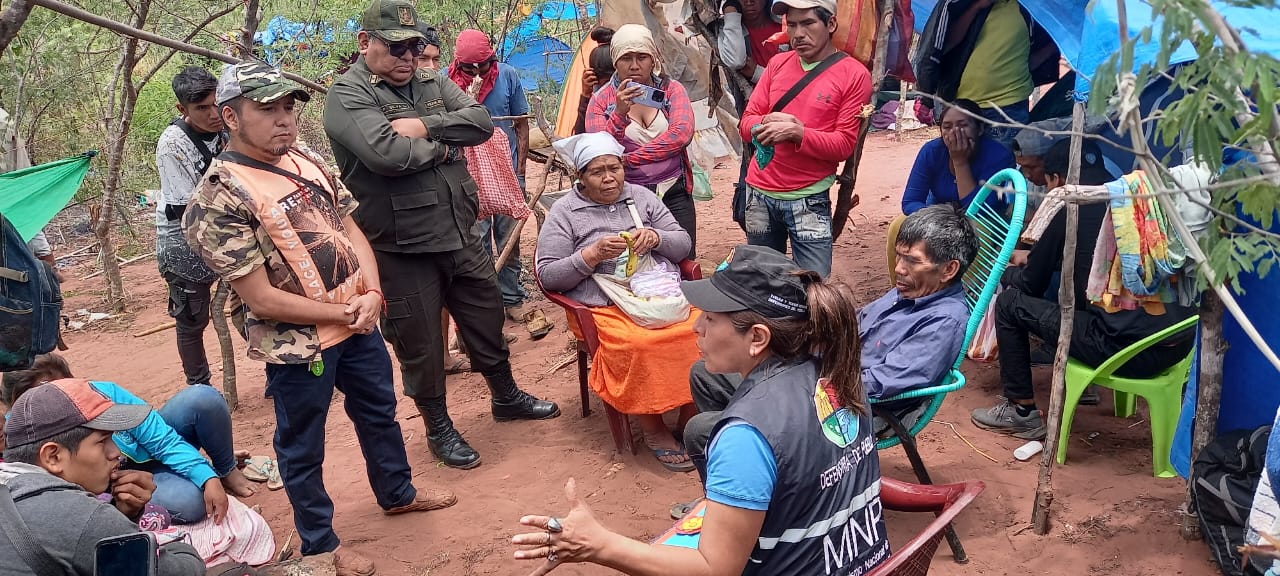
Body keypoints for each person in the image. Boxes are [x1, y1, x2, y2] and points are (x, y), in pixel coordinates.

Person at [184, 60, 457, 575]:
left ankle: (397, 491)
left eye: (288, 106)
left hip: (358, 322)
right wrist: (343, 310)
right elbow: (260, 298)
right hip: (300, 346)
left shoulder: (305, 159)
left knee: (380, 411)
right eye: (267, 109)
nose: (284, 118)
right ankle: (320, 544)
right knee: (302, 441)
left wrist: (372, 291)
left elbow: (351, 227)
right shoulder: (219, 197)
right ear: (230, 117)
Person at [511, 245, 890, 575]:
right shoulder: (837, 371)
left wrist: (599, 545)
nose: (697, 328)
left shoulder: (747, 436)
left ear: (757, 338)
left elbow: (715, 568)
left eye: (710, 318)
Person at [322, 0, 560, 473]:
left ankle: (505, 396)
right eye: (396, 47)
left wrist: (425, 127)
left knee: (486, 312)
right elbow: (387, 155)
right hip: (400, 245)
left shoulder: (430, 81)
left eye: (414, 46)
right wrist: (449, 146)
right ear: (365, 43)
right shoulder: (347, 96)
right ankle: (438, 426)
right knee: (421, 341)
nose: (408, 57)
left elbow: (483, 123)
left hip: (458, 228)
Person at [682, 204, 978, 481]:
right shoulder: (910, 292)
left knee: (701, 431)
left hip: (853, 409)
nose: (899, 268)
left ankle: (740, 501)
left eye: (912, 261)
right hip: (825, 380)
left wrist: (807, 382)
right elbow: (854, 327)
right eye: (900, 256)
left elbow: (883, 384)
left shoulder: (944, 321)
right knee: (706, 375)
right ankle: (757, 473)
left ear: (948, 269)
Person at [971, 139, 1198, 439]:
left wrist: (1007, 272)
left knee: (1011, 303)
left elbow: (1030, 285)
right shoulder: (1139, 200)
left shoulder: (1072, 207)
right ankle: (1084, 387)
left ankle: (1021, 410)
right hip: (1175, 349)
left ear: (1058, 180)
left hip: (1122, 352)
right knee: (1091, 288)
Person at [536, 132, 698, 472]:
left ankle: (690, 416)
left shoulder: (641, 197)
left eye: (615, 168)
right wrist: (589, 256)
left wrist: (656, 237)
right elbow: (548, 276)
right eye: (597, 172)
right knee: (641, 344)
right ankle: (652, 427)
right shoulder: (565, 212)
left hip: (657, 294)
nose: (609, 178)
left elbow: (682, 244)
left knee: (704, 330)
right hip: (601, 306)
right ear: (579, 176)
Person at [2, 353, 258, 525]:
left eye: (63, 391)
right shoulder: (22, 446)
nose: (60, 402)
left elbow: (162, 440)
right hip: (108, 486)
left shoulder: (103, 394)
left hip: (144, 456)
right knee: (190, 503)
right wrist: (119, 506)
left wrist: (206, 475)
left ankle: (223, 469)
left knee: (202, 398)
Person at [0, 379, 206, 576]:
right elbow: (182, 571)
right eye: (102, 441)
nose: (116, 452)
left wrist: (123, 514)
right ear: (53, 456)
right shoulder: (81, 515)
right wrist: (183, 550)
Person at [739, 0, 872, 277]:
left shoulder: (854, 75)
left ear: (831, 24)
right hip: (759, 194)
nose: (798, 33)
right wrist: (767, 122)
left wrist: (798, 133)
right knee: (764, 282)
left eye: (808, 23)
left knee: (814, 289)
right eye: (792, 24)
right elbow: (746, 123)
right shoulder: (777, 64)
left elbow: (844, 146)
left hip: (808, 199)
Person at [447, 29, 544, 332]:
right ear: (457, 64)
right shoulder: (444, 83)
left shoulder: (509, 76)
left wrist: (521, 170)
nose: (477, 73)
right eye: (469, 68)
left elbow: (521, 124)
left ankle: (512, 298)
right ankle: (487, 305)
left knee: (509, 238)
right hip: (467, 176)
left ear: (493, 59)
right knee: (475, 242)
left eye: (484, 66)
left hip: (506, 172)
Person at [586, 24, 699, 259]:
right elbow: (603, 153)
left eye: (642, 57)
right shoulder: (600, 100)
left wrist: (629, 159)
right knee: (637, 262)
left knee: (683, 255)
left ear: (653, 59)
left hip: (674, 190)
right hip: (627, 196)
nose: (635, 66)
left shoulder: (671, 90)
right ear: (615, 61)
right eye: (627, 58)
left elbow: (681, 135)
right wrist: (618, 114)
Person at [154, 66, 228, 387]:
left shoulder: (231, 122)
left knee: (255, 301)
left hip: (226, 223)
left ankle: (276, 369)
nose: (214, 114)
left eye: (217, 103)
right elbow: (187, 208)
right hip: (184, 234)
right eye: (202, 108)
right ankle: (201, 388)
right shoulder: (173, 145)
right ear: (182, 109)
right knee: (192, 316)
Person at [920, 0, 1059, 148]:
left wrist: (1056, 44)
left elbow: (1034, 56)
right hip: (961, 109)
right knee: (960, 165)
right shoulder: (957, 5)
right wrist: (977, 6)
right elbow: (941, 46)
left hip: (1008, 108)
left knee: (1001, 168)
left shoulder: (1029, 9)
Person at [718, 0, 782, 229]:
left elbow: (790, 80)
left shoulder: (785, 28)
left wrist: (756, 72)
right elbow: (735, 60)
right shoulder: (729, 29)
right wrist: (732, 15)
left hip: (786, 118)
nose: (749, 1)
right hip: (752, 118)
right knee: (754, 167)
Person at [901, 98, 1012, 215]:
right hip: (938, 217)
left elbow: (978, 212)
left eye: (963, 125)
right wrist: (937, 219)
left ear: (980, 129)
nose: (955, 132)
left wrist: (960, 162)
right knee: (897, 226)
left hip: (984, 223)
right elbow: (910, 202)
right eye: (947, 127)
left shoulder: (998, 155)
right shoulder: (931, 151)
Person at [573, 26, 615, 136]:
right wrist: (585, 96)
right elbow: (580, 136)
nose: (608, 88)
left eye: (614, 81)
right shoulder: (595, 99)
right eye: (606, 82)